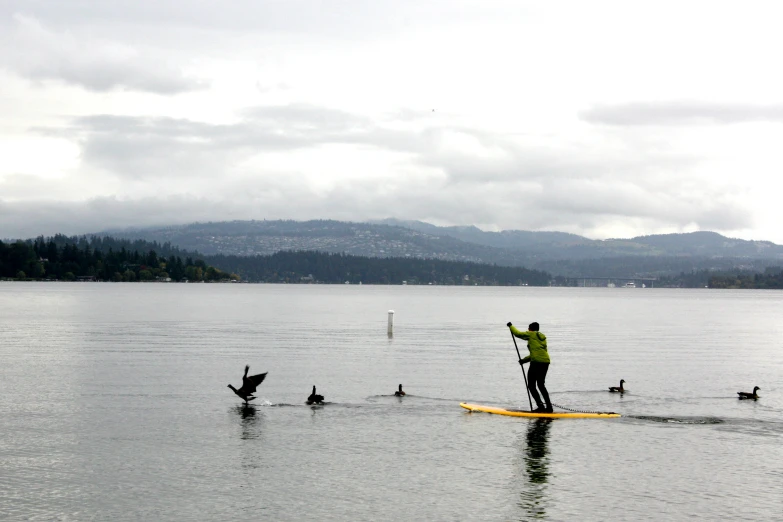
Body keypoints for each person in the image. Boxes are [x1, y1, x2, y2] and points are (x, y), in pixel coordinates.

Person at [507, 321, 552, 413]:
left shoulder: (531, 334)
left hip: (536, 363)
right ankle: (549, 407)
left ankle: (541, 407)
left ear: (531, 329)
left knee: (531, 385)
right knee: (541, 385)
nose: (527, 330)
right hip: (545, 362)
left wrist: (511, 326)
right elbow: (537, 354)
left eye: (528, 328)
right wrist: (524, 360)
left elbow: (517, 334)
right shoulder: (542, 338)